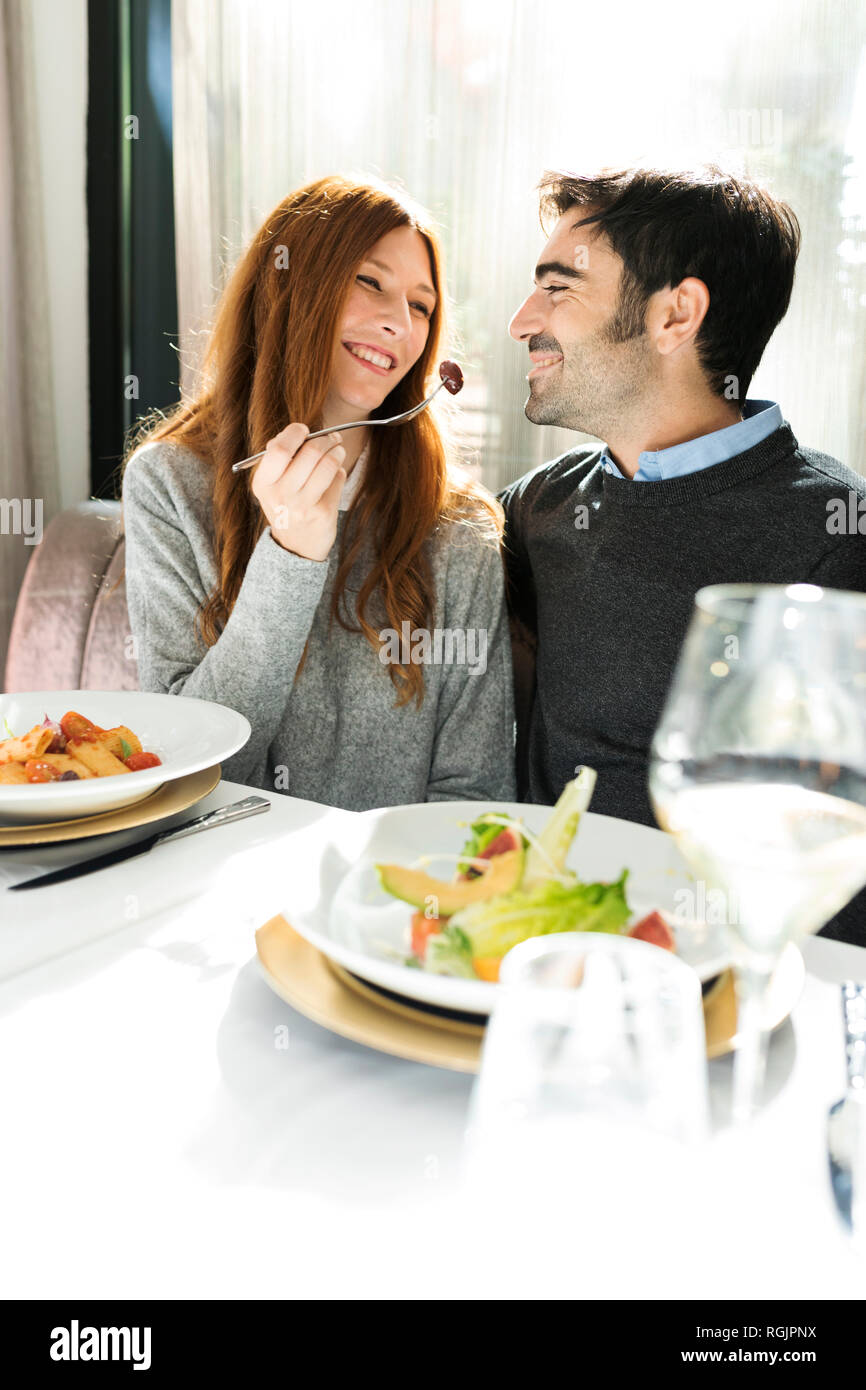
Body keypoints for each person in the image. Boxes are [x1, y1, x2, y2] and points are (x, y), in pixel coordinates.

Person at [500, 166, 866, 941]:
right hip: (534, 950)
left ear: (675, 316)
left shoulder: (837, 537)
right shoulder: (541, 506)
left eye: (559, 288)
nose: (522, 320)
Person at [123, 175, 515, 811]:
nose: (400, 324)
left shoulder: (460, 527)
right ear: (289, 286)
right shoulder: (169, 484)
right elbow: (185, 770)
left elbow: (475, 794)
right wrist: (291, 555)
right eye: (371, 282)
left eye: (422, 305)